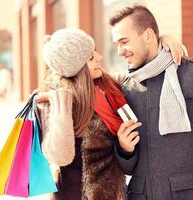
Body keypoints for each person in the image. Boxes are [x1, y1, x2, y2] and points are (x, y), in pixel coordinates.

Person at [110, 5, 193, 200]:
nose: (120, 51)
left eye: (124, 42)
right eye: (116, 44)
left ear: (149, 36)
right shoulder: (125, 90)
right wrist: (124, 150)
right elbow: (127, 168)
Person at [34, 28, 183, 200]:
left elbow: (142, 73)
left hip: (113, 193)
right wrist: (61, 104)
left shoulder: (106, 85)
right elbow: (61, 157)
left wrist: (162, 40)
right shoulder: (52, 100)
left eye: (95, 52)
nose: (99, 58)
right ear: (75, 67)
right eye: (90, 57)